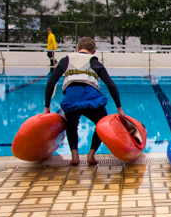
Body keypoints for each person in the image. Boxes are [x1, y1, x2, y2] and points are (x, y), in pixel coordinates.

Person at [43, 37, 124, 166]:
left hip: (71, 100)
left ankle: (74, 156)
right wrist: (119, 107)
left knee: (71, 125)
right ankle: (91, 154)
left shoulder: (66, 59)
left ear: (77, 49)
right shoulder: (93, 61)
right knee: (101, 123)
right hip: (91, 100)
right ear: (93, 50)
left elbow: (51, 82)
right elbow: (110, 84)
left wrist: (47, 106)